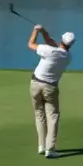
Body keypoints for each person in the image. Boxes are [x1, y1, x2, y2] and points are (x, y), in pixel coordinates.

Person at [27, 24, 75, 158]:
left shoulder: (48, 50)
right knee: (52, 117)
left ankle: (41, 146)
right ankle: (50, 149)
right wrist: (44, 32)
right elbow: (53, 45)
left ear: (61, 40)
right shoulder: (68, 57)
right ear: (71, 44)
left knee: (39, 114)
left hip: (35, 83)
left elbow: (31, 44)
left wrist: (36, 31)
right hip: (50, 87)